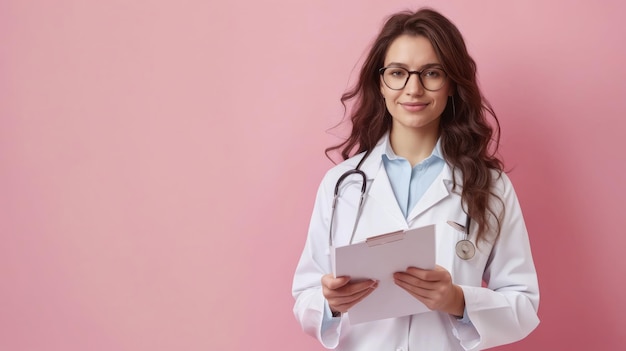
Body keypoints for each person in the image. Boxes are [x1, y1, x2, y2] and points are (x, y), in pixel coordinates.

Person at [291, 7, 540, 351]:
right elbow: (305, 296)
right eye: (398, 73)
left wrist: (457, 300)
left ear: (452, 84)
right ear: (380, 82)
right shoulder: (342, 184)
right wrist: (331, 304)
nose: (413, 88)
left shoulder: (490, 186)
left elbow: (524, 305)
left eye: (432, 73)